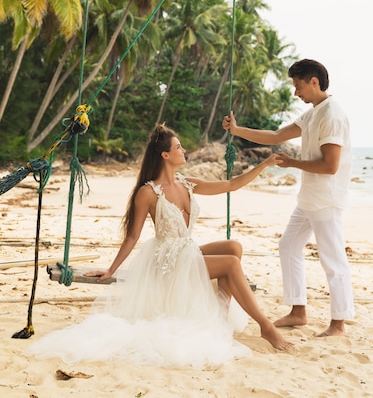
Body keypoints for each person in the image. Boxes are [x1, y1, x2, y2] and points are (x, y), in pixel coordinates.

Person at [28, 124, 292, 369]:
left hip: (186, 251)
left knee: (234, 247)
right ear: (165, 155)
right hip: (169, 262)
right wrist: (110, 270)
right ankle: (266, 326)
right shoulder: (148, 192)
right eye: (179, 147)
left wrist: (265, 164)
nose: (184, 151)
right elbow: (132, 237)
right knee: (231, 263)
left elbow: (232, 184)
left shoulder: (188, 183)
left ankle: (218, 317)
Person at [223, 58, 355, 337]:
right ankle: (298, 311)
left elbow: (330, 166)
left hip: (326, 199)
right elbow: (276, 135)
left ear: (314, 82)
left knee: (333, 260)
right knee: (288, 246)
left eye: (298, 86)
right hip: (309, 198)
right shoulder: (312, 113)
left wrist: (293, 164)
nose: (296, 93)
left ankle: (339, 323)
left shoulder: (332, 114)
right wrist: (237, 130)